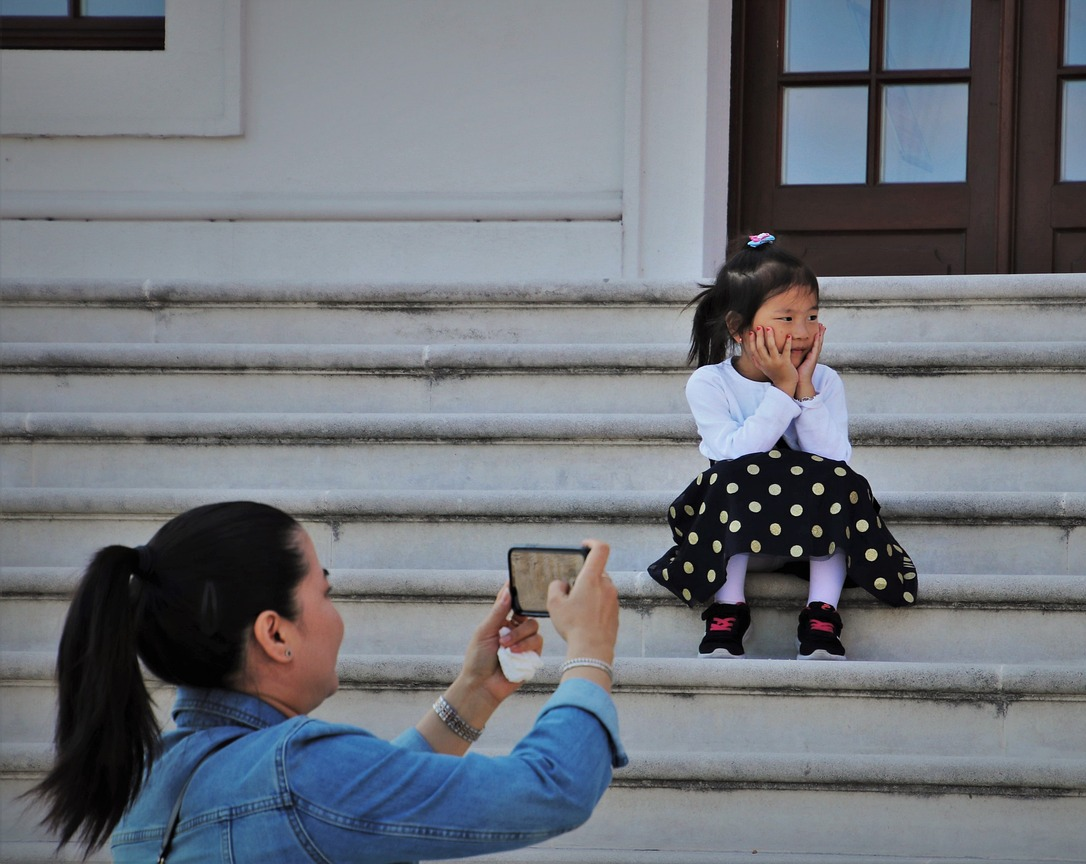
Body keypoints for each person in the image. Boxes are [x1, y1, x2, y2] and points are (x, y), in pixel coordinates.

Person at [27, 501, 626, 862]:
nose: (336, 614)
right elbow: (553, 790)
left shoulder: (153, 775)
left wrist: (474, 691)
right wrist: (591, 652)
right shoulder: (300, 772)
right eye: (324, 592)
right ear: (275, 634)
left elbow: (352, 808)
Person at [648, 233, 918, 660]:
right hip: (735, 539)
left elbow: (834, 458)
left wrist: (804, 388)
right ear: (739, 327)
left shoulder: (824, 381)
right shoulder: (711, 382)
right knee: (730, 477)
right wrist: (782, 389)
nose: (804, 331)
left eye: (812, 316)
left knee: (837, 480)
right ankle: (728, 607)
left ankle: (821, 612)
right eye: (787, 318)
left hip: (809, 535)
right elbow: (735, 454)